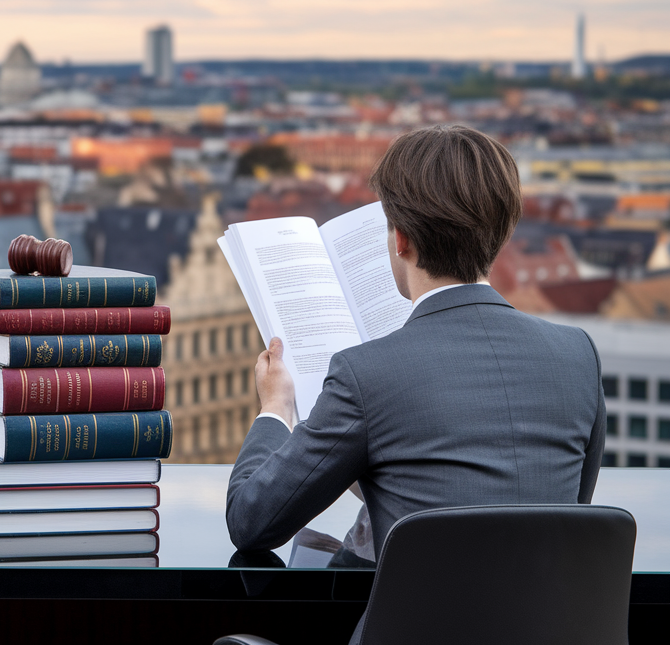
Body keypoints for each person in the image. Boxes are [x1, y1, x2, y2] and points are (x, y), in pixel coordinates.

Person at [226, 124, 605, 636]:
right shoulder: (578, 355)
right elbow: (564, 516)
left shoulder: (366, 373)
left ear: (401, 239)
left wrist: (275, 408)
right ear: (502, 233)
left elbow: (251, 522)